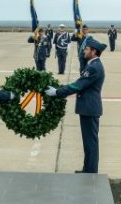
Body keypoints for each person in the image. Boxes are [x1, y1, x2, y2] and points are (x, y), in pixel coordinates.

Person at [45, 38, 106, 174]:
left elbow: (78, 85)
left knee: (90, 142)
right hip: (88, 108)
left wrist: (57, 92)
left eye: (86, 49)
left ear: (94, 51)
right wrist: (59, 88)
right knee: (88, 142)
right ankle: (87, 169)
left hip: (90, 108)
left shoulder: (94, 68)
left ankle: (90, 171)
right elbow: (79, 82)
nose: (84, 50)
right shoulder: (92, 65)